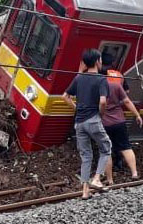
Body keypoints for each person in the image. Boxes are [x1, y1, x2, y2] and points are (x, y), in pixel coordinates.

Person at [63, 49, 112, 199]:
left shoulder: (79, 78)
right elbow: (103, 101)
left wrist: (77, 109)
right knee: (106, 148)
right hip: (93, 120)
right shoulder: (101, 79)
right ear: (98, 61)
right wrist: (101, 113)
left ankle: (85, 192)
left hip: (79, 123)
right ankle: (97, 179)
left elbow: (65, 96)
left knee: (86, 156)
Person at [102, 79, 143, 184]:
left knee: (106, 152)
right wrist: (137, 115)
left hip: (103, 123)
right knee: (126, 147)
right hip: (119, 121)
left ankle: (110, 180)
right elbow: (127, 101)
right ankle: (134, 173)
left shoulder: (95, 87)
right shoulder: (115, 85)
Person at [100, 52, 130, 172]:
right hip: (117, 113)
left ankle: (105, 168)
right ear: (113, 63)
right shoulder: (119, 75)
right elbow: (126, 92)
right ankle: (118, 161)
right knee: (118, 140)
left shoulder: (100, 73)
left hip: (104, 112)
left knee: (105, 141)